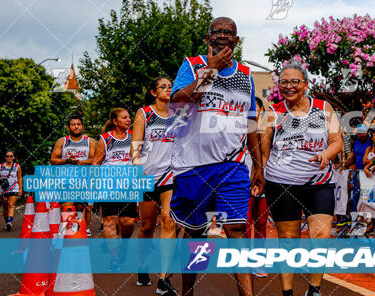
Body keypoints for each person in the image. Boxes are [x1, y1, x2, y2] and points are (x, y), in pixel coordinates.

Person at [170, 17, 263, 296]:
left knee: (236, 231)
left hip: (232, 164)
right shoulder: (192, 64)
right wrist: (211, 70)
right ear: (208, 38)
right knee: (196, 233)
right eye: (218, 31)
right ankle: (188, 291)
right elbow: (179, 102)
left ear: (236, 40)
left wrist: (259, 165)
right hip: (192, 166)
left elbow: (251, 123)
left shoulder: (246, 74)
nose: (223, 35)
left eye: (229, 32)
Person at [261, 61, 343, 296]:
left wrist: (325, 155)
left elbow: (336, 140)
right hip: (281, 183)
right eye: (284, 82)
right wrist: (259, 178)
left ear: (305, 84)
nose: (289, 86)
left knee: (322, 236)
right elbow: (264, 152)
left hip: (319, 184)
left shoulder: (323, 107)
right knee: (288, 240)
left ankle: (314, 289)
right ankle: (288, 292)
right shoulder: (272, 112)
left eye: (295, 81)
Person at [131, 77, 177, 295]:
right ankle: (142, 265)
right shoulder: (144, 113)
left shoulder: (179, 114)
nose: (168, 89)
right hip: (148, 176)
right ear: (153, 92)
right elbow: (136, 146)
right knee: (147, 227)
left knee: (169, 221)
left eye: (170, 86)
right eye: (163, 87)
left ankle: (163, 279)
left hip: (171, 175)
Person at [92, 107, 137, 271]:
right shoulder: (105, 139)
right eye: (124, 117)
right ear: (115, 121)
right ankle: (115, 258)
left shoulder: (134, 137)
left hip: (128, 186)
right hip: (108, 185)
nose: (128, 119)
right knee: (109, 221)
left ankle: (123, 247)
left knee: (128, 222)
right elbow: (96, 162)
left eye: (129, 117)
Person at [50, 114, 96, 235]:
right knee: (68, 207)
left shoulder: (89, 142)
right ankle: (68, 230)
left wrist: (79, 162)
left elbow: (94, 159)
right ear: (68, 127)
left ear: (82, 127)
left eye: (78, 124)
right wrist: (67, 161)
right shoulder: (62, 141)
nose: (76, 126)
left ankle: (82, 229)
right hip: (66, 181)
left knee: (82, 207)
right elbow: (53, 160)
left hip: (84, 181)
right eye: (73, 124)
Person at [245, 97, 269, 278]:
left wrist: (259, 180)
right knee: (244, 225)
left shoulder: (267, 130)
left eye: (257, 108)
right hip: (243, 182)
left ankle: (259, 262)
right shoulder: (240, 129)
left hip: (262, 182)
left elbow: (265, 157)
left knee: (261, 224)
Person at [0, 151, 22, 231]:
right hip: (3, 189)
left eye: (11, 156)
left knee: (11, 205)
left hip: (14, 187)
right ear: (5, 157)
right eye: (7, 156)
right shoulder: (1, 166)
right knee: (5, 206)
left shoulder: (17, 166)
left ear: (13, 157)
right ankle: (7, 222)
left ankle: (10, 222)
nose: (9, 157)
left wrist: (20, 189)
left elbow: (20, 177)